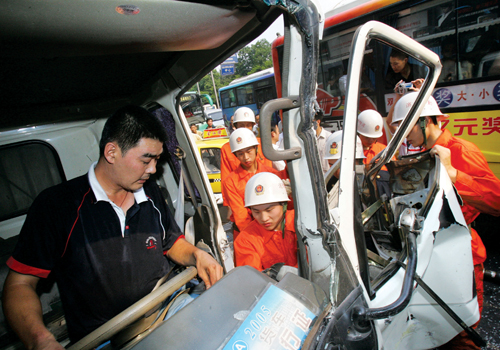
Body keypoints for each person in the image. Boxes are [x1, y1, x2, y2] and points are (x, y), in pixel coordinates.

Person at [2, 105, 223, 348]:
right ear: (111, 152)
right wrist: (39, 340)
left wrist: (197, 255)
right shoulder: (56, 206)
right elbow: (20, 284)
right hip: (106, 339)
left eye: (157, 160)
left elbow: (171, 243)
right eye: (146, 159)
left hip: (168, 308)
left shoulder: (151, 193)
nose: (152, 170)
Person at [391, 92, 500, 350]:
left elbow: (496, 200)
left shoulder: (460, 150)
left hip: (462, 250)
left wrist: (453, 172)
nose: (405, 135)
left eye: (407, 127)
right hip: (435, 251)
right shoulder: (428, 154)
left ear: (425, 121)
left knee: (460, 332)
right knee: (437, 327)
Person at [222, 128, 284, 240]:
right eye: (240, 154)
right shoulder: (230, 181)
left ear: (256, 149)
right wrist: (255, 240)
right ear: (235, 155)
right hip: (248, 234)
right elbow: (241, 217)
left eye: (249, 151)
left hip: (275, 233)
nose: (245, 157)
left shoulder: (271, 174)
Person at [234, 172, 297, 270]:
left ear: (283, 204)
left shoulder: (300, 223)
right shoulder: (246, 240)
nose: (264, 218)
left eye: (269, 210)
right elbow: (252, 277)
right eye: (256, 212)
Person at [220, 107, 272, 209]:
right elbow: (225, 177)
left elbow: (268, 170)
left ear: (253, 125)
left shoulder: (261, 144)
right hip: (240, 196)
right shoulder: (226, 148)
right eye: (241, 125)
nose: (245, 128)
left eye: (248, 125)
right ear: (235, 126)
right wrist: (229, 205)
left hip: (264, 193)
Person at [324, 130, 365, 205]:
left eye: (337, 166)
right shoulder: (328, 184)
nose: (335, 172)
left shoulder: (369, 183)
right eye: (331, 165)